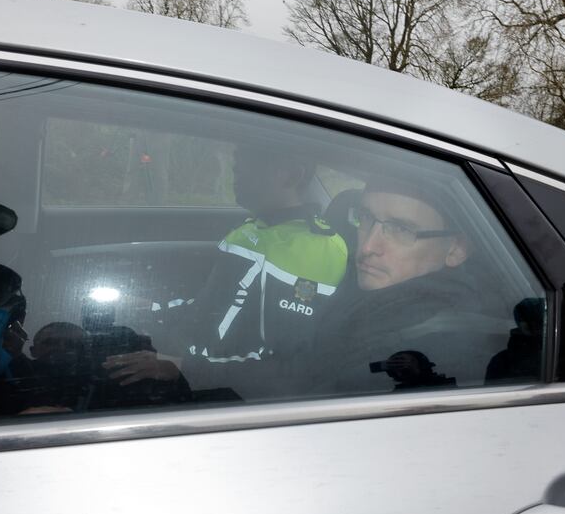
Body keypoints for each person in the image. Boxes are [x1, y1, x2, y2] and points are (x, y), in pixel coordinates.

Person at [103, 145, 348, 400]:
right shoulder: (255, 229)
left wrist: (179, 366)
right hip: (195, 362)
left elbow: (283, 361)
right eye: (237, 166)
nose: (237, 173)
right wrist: (151, 309)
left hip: (227, 391)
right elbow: (211, 309)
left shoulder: (315, 250)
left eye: (250, 166)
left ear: (292, 175)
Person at [308, 176, 495, 396]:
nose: (368, 246)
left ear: (456, 249)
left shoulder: (429, 349)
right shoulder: (362, 292)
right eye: (365, 217)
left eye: (401, 229)